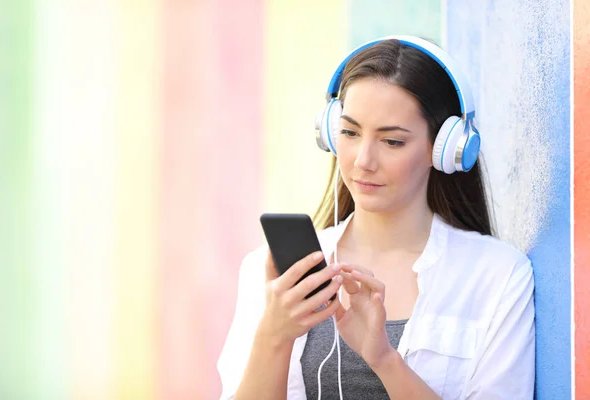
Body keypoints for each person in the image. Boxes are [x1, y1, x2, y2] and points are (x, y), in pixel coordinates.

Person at [217, 36, 535, 400]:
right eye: (350, 133)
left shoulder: (499, 275)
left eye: (392, 142)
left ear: (446, 149)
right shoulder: (271, 271)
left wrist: (384, 359)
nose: (362, 160)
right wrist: (274, 336)